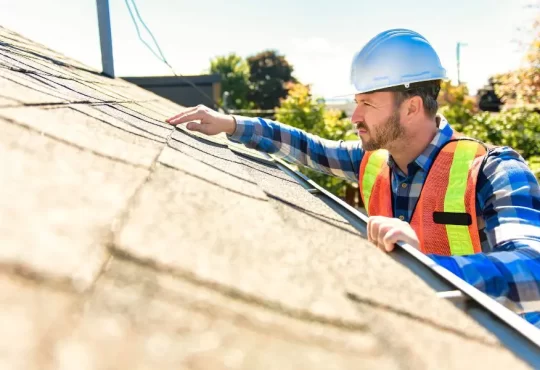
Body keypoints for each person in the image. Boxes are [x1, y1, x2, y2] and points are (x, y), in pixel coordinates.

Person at [166, 29, 540, 326]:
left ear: (411, 108)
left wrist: (429, 266)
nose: (354, 116)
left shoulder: (495, 170)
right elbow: (309, 147)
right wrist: (232, 124)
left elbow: (534, 271)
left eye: (367, 104)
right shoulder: (377, 161)